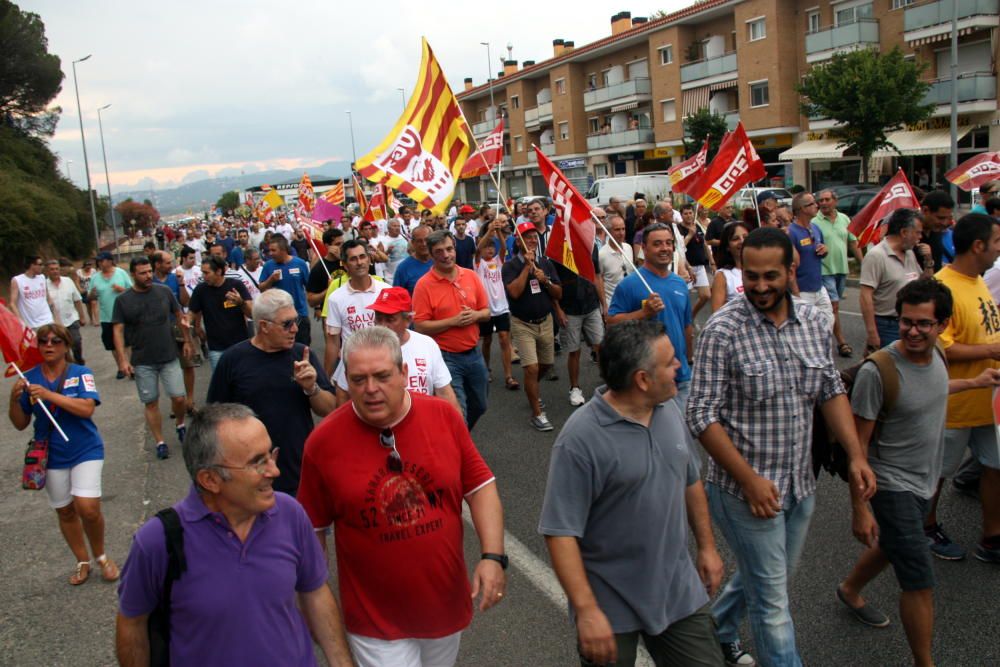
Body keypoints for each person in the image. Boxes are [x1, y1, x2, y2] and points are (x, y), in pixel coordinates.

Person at [686, 227, 876, 667]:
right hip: (742, 493)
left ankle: (718, 629)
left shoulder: (813, 321)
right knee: (773, 607)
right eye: (751, 277)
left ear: (792, 270)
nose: (760, 286)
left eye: (771, 275)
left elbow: (829, 390)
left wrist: (856, 456)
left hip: (800, 485)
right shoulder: (723, 329)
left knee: (769, 579)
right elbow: (700, 416)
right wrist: (749, 481)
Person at [297, 326, 506, 667]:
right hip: (374, 620)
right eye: (359, 379)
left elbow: (480, 486)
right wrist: (314, 604)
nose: (371, 389)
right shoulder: (323, 444)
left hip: (443, 606)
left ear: (404, 373)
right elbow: (312, 530)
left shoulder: (443, 417)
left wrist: (493, 556)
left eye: (382, 376)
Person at [539, 319, 725, 667]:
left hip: (676, 589)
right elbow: (560, 532)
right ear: (642, 379)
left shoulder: (669, 408)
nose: (679, 367)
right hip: (610, 604)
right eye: (670, 362)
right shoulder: (580, 440)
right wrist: (586, 610)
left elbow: (690, 479)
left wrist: (708, 547)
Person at [115, 403, 354, 667]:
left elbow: (315, 593)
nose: (274, 471)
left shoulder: (289, 513)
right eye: (257, 462)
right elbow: (132, 624)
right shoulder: (157, 542)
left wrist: (342, 663)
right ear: (210, 480)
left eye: (270, 455)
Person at [838, 278, 1000, 667]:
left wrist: (974, 383)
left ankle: (849, 588)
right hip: (890, 484)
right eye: (907, 321)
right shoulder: (880, 372)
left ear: (941, 325)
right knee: (920, 578)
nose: (913, 330)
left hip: (925, 480)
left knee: (894, 546)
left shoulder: (938, 357)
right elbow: (857, 448)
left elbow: (931, 389)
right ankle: (924, 662)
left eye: (924, 324)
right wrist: (859, 509)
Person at [8, 322, 118, 586]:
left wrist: (48, 395)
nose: (49, 345)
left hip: (85, 448)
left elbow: (86, 408)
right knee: (66, 511)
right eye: (43, 341)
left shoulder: (81, 373)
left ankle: (101, 555)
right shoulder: (29, 377)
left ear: (66, 346)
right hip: (50, 454)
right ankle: (82, 560)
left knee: (87, 508)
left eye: (55, 341)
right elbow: (20, 423)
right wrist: (14, 400)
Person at [923, 212, 1000, 563]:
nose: (999, 249)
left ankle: (992, 536)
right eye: (997, 242)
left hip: (989, 402)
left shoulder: (979, 280)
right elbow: (941, 347)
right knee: (936, 475)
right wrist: (991, 350)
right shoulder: (944, 287)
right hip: (954, 405)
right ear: (979, 245)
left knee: (995, 466)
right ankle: (926, 527)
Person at [207, 289, 336, 496]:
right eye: (286, 324)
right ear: (264, 326)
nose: (294, 329)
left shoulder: (302, 355)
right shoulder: (233, 361)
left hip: (298, 472)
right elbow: (213, 418)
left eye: (296, 321)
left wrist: (312, 388)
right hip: (249, 476)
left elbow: (330, 408)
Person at [113, 257, 193, 461]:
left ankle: (180, 424)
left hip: (169, 355)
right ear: (133, 274)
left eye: (149, 271)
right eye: (143, 273)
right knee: (151, 402)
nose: (148, 276)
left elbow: (179, 314)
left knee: (179, 397)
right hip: (142, 360)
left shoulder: (164, 291)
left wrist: (186, 341)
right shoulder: (123, 300)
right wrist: (123, 360)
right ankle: (160, 442)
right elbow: (118, 330)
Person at [331, 287, 459, 412]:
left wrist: (457, 430)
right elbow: (343, 393)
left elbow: (444, 392)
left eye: (390, 320)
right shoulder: (358, 347)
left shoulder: (427, 344)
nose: (382, 325)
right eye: (379, 318)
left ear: (408, 320)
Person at [608, 223, 694, 410]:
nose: (665, 248)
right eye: (657, 244)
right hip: (649, 380)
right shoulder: (629, 285)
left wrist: (689, 361)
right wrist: (643, 313)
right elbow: (612, 323)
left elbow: (686, 326)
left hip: (682, 377)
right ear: (644, 249)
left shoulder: (679, 283)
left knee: (682, 435)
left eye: (668, 243)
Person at [413, 230, 491, 430]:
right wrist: (453, 321)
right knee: (457, 414)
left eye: (449, 249)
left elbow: (486, 312)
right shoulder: (423, 285)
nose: (446, 255)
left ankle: (460, 439)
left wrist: (475, 316)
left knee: (481, 405)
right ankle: (459, 451)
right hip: (445, 358)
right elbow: (420, 326)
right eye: (439, 251)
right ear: (431, 255)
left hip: (474, 354)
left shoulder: (471, 276)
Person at [502, 222, 563, 431]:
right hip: (522, 324)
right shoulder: (509, 266)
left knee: (545, 365)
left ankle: (532, 390)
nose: (532, 240)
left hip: (545, 321)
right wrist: (527, 267)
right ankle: (537, 414)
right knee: (531, 368)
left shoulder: (545, 263)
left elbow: (558, 293)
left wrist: (545, 281)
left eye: (534, 237)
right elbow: (515, 293)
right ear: (517, 241)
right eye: (526, 237)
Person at [860, 209, 930, 354]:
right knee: (888, 371)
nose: (920, 237)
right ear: (904, 232)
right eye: (917, 232)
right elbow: (865, 296)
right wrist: (872, 333)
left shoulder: (909, 253)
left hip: (909, 322)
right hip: (886, 325)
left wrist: (929, 261)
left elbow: (924, 284)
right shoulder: (876, 256)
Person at [323, 240, 389, 377]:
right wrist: (326, 377)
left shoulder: (386, 291)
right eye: (353, 259)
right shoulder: (336, 298)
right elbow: (333, 342)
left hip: (385, 364)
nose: (359, 263)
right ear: (345, 265)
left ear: (369, 259)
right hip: (352, 369)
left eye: (362, 257)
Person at [813, 189, 864, 357]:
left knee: (832, 308)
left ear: (835, 201)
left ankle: (820, 335)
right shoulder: (814, 222)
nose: (824, 203)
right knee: (833, 306)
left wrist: (863, 263)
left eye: (827, 199)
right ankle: (841, 342)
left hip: (842, 270)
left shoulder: (844, 219)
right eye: (821, 200)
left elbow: (852, 243)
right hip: (824, 270)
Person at [553, 239, 603, 408]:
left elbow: (596, 275)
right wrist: (558, 309)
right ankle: (574, 388)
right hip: (569, 308)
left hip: (591, 304)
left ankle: (611, 382)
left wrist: (604, 304)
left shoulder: (591, 245)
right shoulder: (558, 248)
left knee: (600, 345)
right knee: (574, 350)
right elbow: (554, 283)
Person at [188, 255, 253, 370]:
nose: (203, 276)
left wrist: (241, 303)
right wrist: (187, 323)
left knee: (243, 383)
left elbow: (252, 313)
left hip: (240, 346)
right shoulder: (200, 290)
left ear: (218, 271)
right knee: (220, 385)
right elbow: (191, 313)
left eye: (206, 273)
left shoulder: (236, 285)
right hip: (216, 349)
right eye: (202, 272)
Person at [475, 232, 516, 390]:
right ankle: (486, 368)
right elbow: (478, 249)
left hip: (502, 307)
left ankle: (509, 376)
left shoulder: (498, 261)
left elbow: (504, 247)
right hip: (485, 309)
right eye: (487, 247)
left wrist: (498, 232)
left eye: (491, 247)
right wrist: (488, 230)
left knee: (504, 338)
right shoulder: (479, 264)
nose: (489, 250)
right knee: (487, 340)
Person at [787, 192, 834, 327]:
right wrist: (796, 295)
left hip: (819, 288)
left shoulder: (816, 228)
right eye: (812, 203)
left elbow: (819, 252)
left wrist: (825, 250)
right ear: (802, 209)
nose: (817, 205)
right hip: (802, 291)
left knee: (828, 323)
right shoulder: (791, 232)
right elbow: (790, 266)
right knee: (807, 328)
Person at [259, 234, 312, 345]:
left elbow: (310, 287)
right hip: (278, 318)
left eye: (274, 250)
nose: (270, 253)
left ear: (283, 250)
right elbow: (261, 288)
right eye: (269, 250)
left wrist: (317, 307)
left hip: (300, 315)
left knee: (302, 348)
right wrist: (271, 280)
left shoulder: (300, 264)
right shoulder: (268, 266)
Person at [88, 252, 133, 379]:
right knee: (112, 344)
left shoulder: (121, 273)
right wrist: (92, 294)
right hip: (106, 316)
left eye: (102, 261)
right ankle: (120, 367)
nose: (100, 263)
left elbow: (132, 290)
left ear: (109, 261)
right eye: (98, 261)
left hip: (123, 314)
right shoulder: (95, 277)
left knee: (127, 342)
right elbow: (90, 297)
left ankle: (131, 366)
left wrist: (121, 289)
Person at [45, 259, 87, 365]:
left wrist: (82, 316)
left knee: (76, 341)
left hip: (71, 318)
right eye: (52, 269)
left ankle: (79, 360)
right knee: (62, 346)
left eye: (56, 269)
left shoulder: (68, 281)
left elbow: (77, 300)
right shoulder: (43, 285)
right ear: (47, 271)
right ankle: (69, 365)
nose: (55, 271)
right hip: (54, 322)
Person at [679, 203, 714, 321]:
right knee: (685, 297)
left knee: (706, 295)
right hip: (686, 267)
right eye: (685, 213)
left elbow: (704, 244)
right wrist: (689, 235)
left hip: (700, 266)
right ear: (681, 215)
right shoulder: (679, 229)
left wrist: (712, 261)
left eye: (690, 213)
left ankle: (692, 316)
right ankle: (684, 320)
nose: (688, 216)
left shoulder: (696, 226)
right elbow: (680, 248)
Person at [710, 222, 749, 312]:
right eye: (736, 239)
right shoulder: (722, 275)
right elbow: (717, 315)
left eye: (745, 237)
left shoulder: (761, 269)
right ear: (727, 247)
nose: (742, 241)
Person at [10, 255, 55, 329]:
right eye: (40, 264)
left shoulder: (42, 277)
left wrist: (54, 317)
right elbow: (12, 303)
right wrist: (21, 322)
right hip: (31, 325)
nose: (42, 267)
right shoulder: (17, 280)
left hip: (48, 320)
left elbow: (48, 298)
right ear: (32, 265)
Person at [598, 214, 634, 306]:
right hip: (613, 304)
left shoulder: (628, 248)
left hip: (630, 302)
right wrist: (604, 305)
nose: (621, 233)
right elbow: (599, 280)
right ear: (608, 231)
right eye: (617, 230)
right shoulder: (601, 254)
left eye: (623, 229)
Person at [393, 224, 434, 294]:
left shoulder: (440, 261)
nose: (424, 244)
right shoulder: (403, 268)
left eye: (426, 240)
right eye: (419, 241)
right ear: (413, 243)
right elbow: (397, 297)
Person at [77, 259, 99, 326]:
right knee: (88, 306)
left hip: (92, 290)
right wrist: (80, 289)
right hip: (84, 291)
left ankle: (96, 320)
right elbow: (77, 281)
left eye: (90, 265)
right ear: (84, 265)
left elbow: (96, 279)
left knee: (94, 304)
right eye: (87, 265)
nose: (89, 266)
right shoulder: (79, 272)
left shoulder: (93, 271)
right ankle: (91, 319)